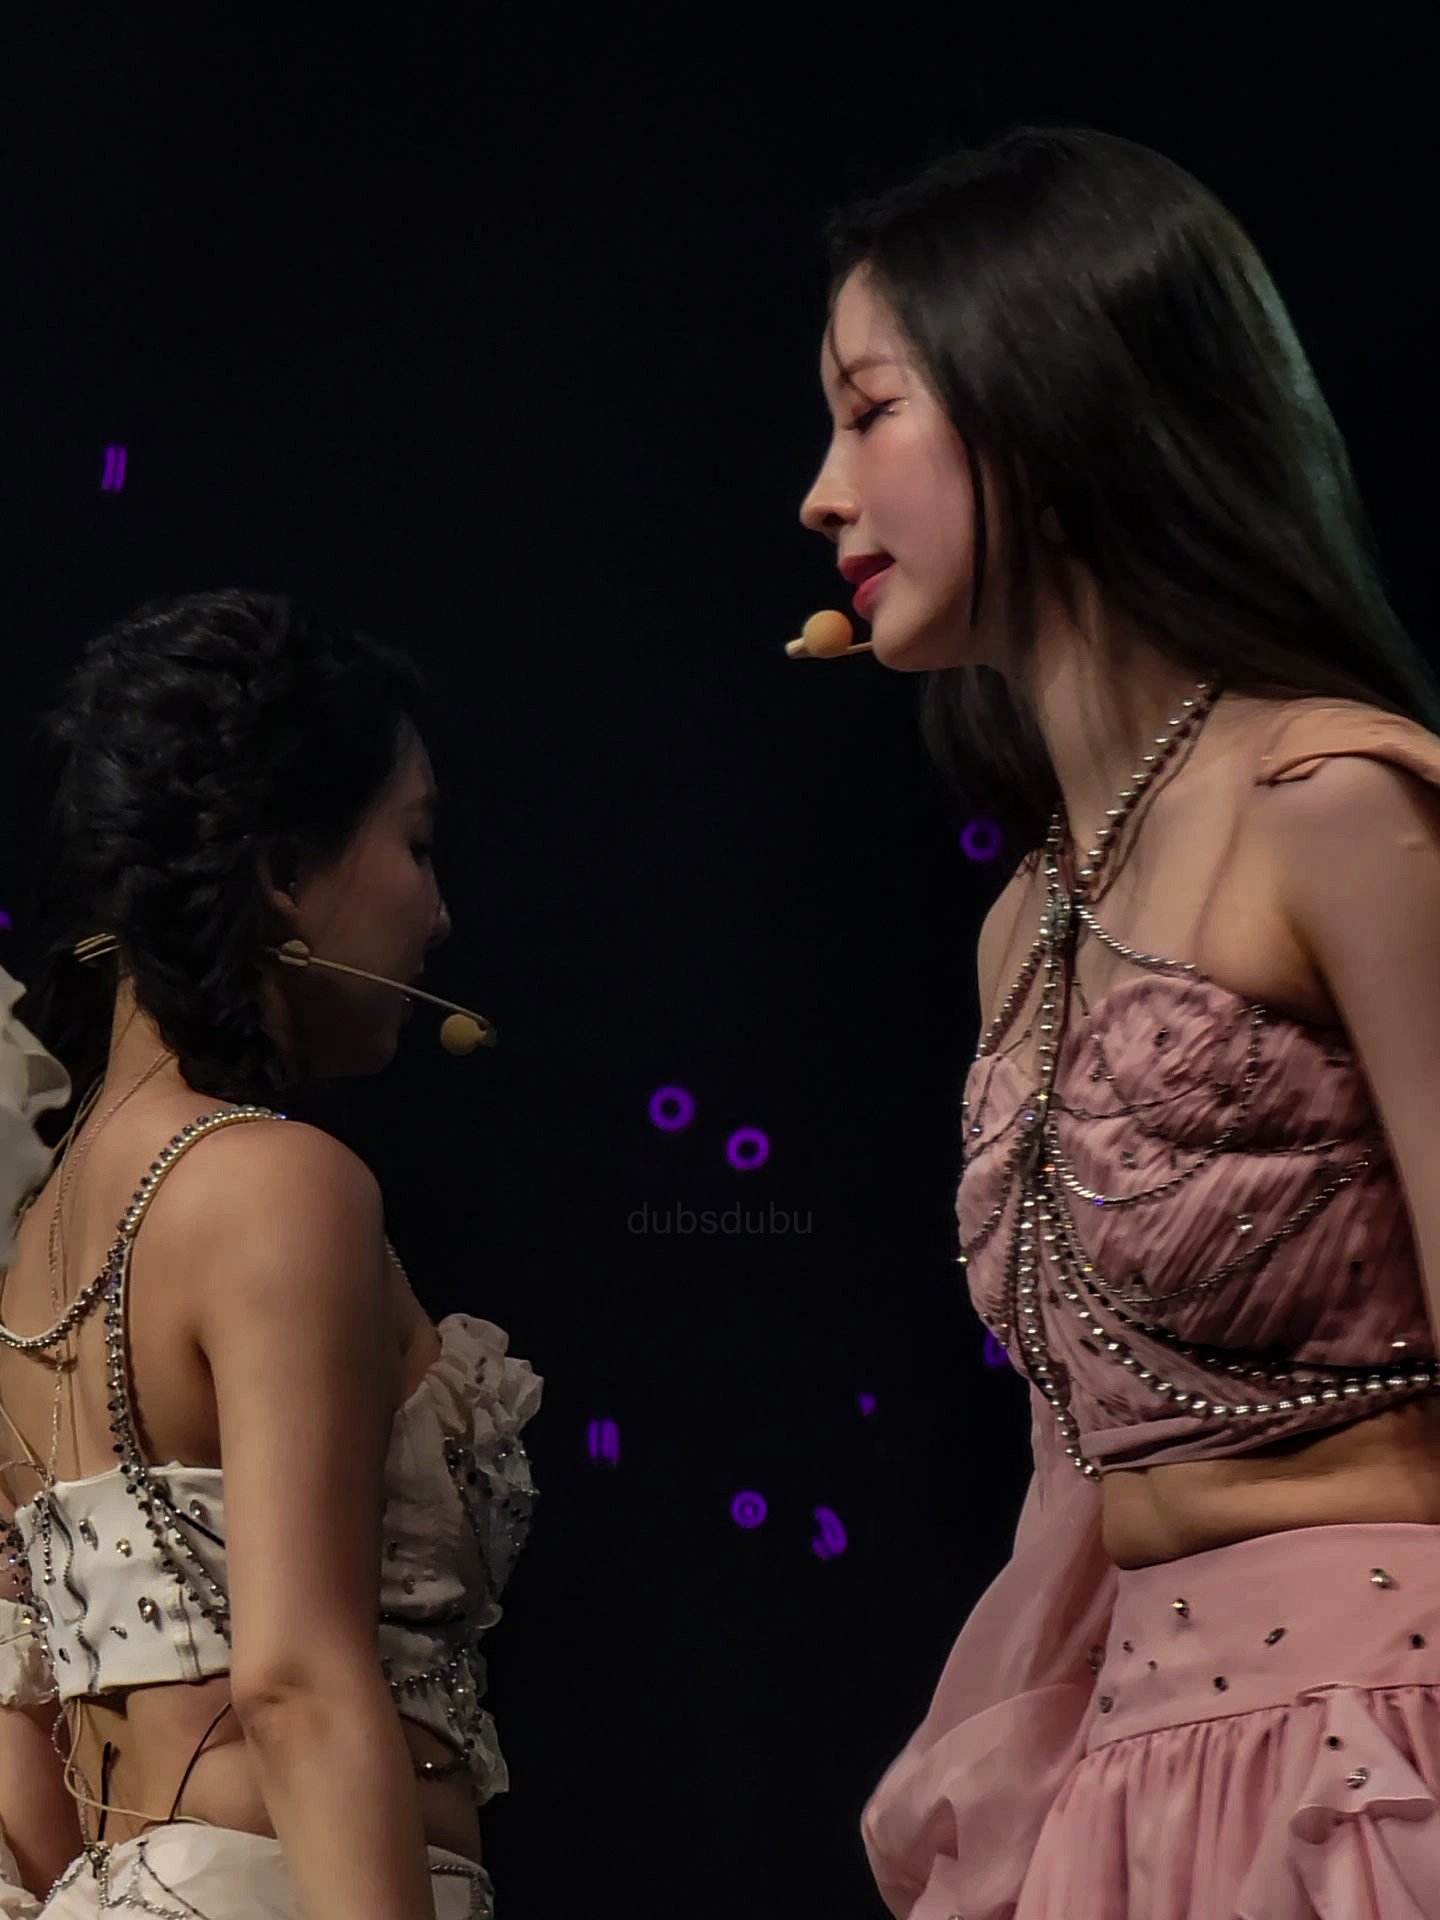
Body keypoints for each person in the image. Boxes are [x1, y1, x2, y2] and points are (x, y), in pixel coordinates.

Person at [799, 126, 1440, 1918]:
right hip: (1135, 1781)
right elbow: (1072, 1469)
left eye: (869, 412)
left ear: (1050, 401)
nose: (822, 496)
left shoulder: (1337, 805)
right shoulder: (1023, 925)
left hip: (1373, 1762)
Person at [0, 591, 540, 1919]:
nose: (439, 913)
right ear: (285, 872)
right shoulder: (277, 1187)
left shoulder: (34, 1246)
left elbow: (24, 1750)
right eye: (416, 844)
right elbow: (296, 1681)